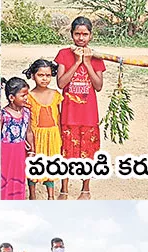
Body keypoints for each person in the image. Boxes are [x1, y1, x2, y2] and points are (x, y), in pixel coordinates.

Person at [54, 17, 105, 200]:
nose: (81, 38)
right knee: (65, 151)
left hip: (89, 115)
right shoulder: (63, 54)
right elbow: (61, 83)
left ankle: (85, 189)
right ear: (72, 34)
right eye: (77, 34)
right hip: (69, 114)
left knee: (88, 152)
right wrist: (76, 62)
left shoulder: (96, 57)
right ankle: (64, 189)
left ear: (90, 35)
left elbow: (98, 86)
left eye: (85, 34)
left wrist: (88, 62)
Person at [22, 59, 63, 200]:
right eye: (41, 75)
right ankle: (32, 195)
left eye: (48, 75)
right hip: (35, 135)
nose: (45, 78)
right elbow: (26, 120)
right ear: (33, 76)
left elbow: (58, 118)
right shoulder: (28, 96)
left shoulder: (56, 94)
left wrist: (61, 137)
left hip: (53, 135)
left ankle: (51, 196)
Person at [0, 77, 35, 200]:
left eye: (27, 95)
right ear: (11, 97)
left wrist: (32, 151)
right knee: (5, 178)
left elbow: (29, 132)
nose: (26, 98)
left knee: (19, 178)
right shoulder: (4, 114)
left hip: (20, 152)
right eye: (23, 95)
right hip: (6, 153)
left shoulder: (27, 112)